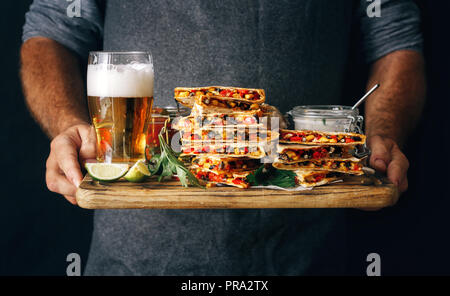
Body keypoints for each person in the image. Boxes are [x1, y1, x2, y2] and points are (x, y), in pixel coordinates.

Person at [20, 0, 425, 275]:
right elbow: (52, 29)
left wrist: (383, 134)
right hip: (136, 251)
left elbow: (395, 37)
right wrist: (67, 125)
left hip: (308, 245)